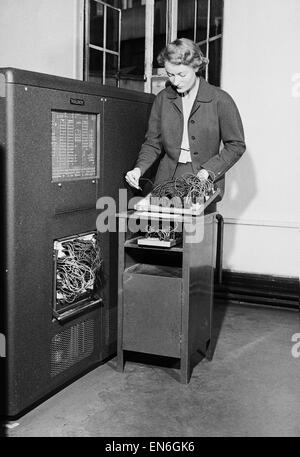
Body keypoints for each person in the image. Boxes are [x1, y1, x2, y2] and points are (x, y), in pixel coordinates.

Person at [125, 38, 246, 207]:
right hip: (166, 181)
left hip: (202, 180)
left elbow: (236, 145)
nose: (175, 81)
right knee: (159, 231)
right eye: (170, 75)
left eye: (182, 75)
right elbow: (153, 143)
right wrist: (139, 169)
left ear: (196, 67)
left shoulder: (221, 100)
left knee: (195, 232)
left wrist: (208, 171)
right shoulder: (162, 99)